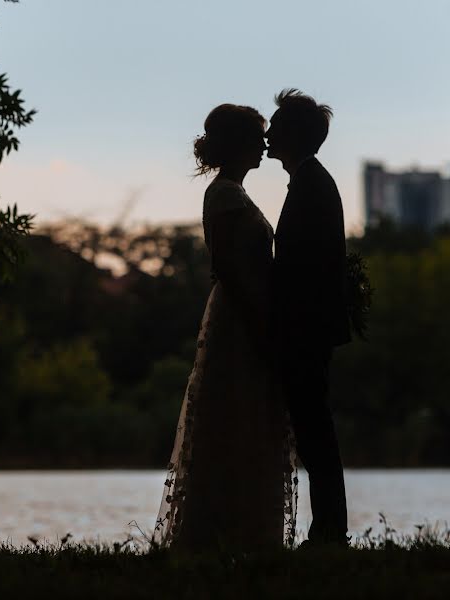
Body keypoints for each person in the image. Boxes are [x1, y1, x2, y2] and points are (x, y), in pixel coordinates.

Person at [154, 104, 298, 551]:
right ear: (238, 144)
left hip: (243, 312)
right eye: (258, 137)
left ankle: (241, 531)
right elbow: (233, 270)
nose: (265, 143)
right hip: (239, 318)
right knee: (236, 417)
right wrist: (263, 325)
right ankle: (228, 532)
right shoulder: (227, 196)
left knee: (247, 418)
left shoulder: (229, 193)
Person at [266, 89, 351, 546]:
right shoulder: (311, 182)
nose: (268, 132)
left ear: (294, 134)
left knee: (315, 431)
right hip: (309, 329)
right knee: (314, 429)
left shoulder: (312, 186)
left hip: (305, 330)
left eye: (276, 125)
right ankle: (328, 530)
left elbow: (306, 268)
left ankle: (329, 532)